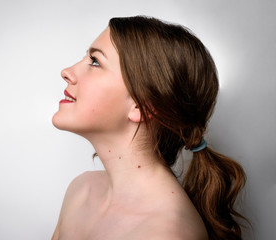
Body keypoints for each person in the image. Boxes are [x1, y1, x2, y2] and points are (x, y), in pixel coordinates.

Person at [51, 16, 247, 240]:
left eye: (95, 61)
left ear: (142, 106)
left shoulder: (168, 234)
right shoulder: (81, 190)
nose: (67, 71)